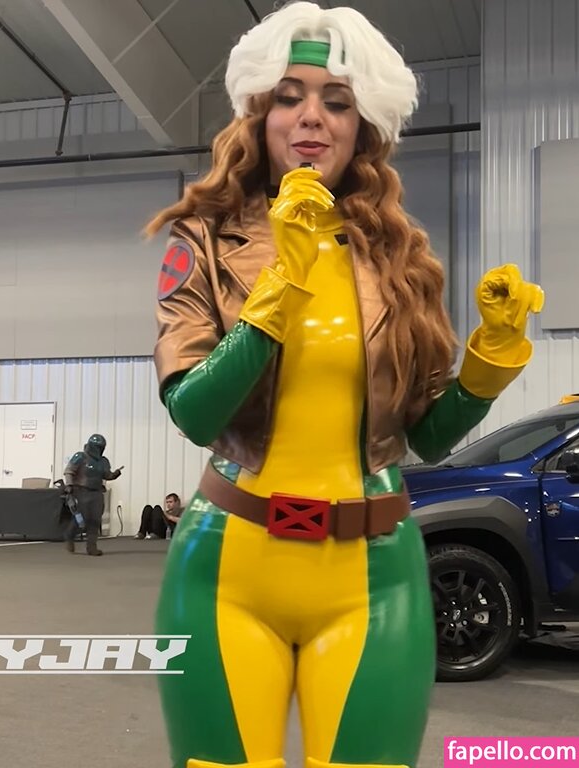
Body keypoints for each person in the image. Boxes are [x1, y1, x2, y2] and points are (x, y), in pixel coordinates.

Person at [145, 4, 544, 768]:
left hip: (374, 576)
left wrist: (490, 358)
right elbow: (194, 412)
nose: (311, 117)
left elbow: (426, 436)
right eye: (288, 96)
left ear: (362, 126)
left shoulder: (397, 256)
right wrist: (279, 289)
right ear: (258, 113)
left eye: (336, 101)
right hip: (229, 570)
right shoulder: (205, 241)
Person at [62, 433, 123, 556]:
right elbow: (69, 471)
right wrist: (69, 485)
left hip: (97, 492)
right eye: (98, 447)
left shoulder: (103, 461)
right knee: (82, 518)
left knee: (95, 519)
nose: (100, 449)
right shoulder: (80, 456)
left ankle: (92, 547)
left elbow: (106, 475)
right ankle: (69, 535)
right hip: (81, 490)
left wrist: (115, 474)